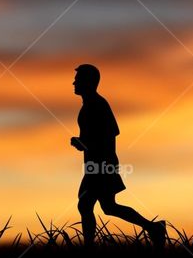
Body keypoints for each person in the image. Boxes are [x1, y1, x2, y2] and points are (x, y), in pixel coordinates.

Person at [70, 63, 166, 247]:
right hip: (96, 164)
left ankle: (88, 247)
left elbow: (109, 134)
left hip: (102, 164)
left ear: (88, 82)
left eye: (78, 79)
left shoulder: (97, 105)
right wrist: (83, 143)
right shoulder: (89, 105)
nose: (74, 83)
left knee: (86, 205)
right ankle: (154, 228)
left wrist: (83, 144)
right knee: (107, 207)